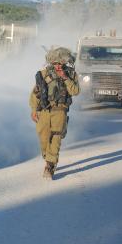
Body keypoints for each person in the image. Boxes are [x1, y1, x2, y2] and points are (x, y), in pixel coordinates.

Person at [29, 47, 80, 179]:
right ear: (52, 62)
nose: (57, 65)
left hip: (60, 111)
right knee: (43, 137)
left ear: (64, 62)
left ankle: (50, 165)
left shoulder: (70, 74)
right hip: (44, 111)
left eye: (60, 63)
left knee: (56, 137)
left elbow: (75, 91)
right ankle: (48, 158)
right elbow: (36, 93)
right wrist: (34, 110)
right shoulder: (44, 74)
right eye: (55, 63)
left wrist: (64, 77)